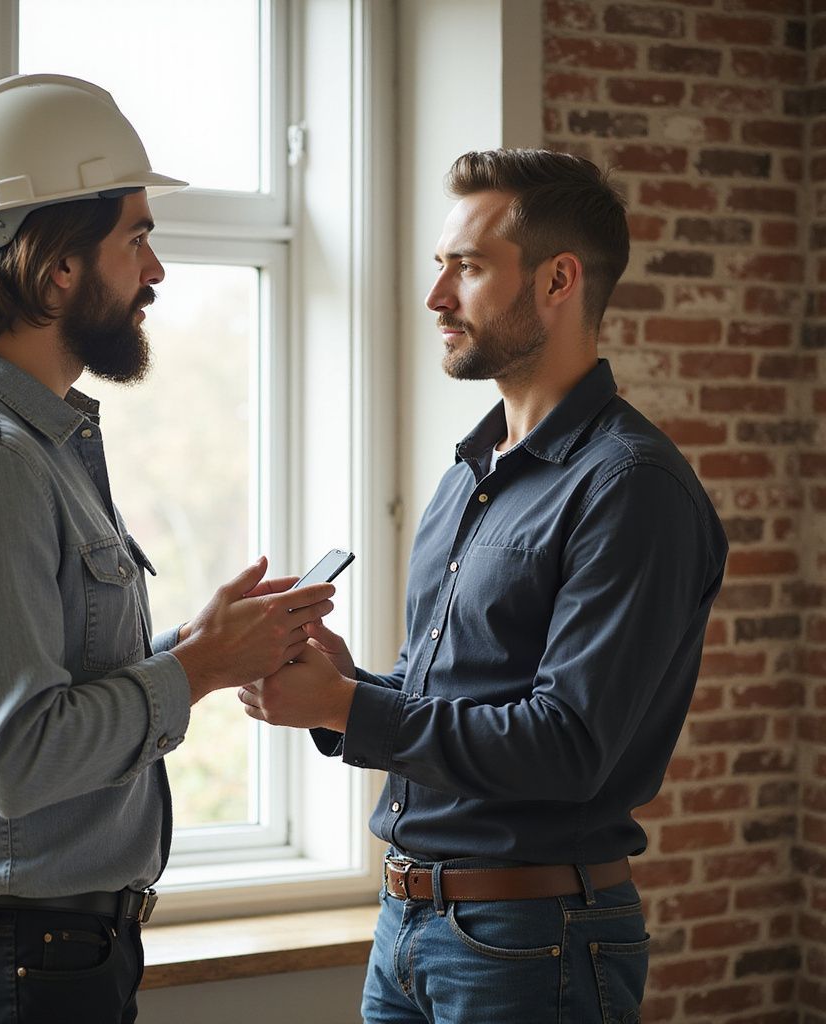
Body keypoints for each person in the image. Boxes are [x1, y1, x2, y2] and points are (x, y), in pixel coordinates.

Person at [0, 73, 335, 1024]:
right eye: (137, 238)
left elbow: (46, 695)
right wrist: (199, 669)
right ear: (59, 267)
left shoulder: (28, 444)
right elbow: (20, 758)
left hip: (37, 958)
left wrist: (195, 648)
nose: (156, 271)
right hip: (10, 965)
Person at [238, 148, 728, 1024]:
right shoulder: (469, 473)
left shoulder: (631, 488)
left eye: (466, 267)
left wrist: (349, 707)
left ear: (558, 280)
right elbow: (459, 700)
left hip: (534, 940)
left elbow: (567, 744)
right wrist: (344, 688)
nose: (436, 297)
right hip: (407, 928)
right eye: (441, 265)